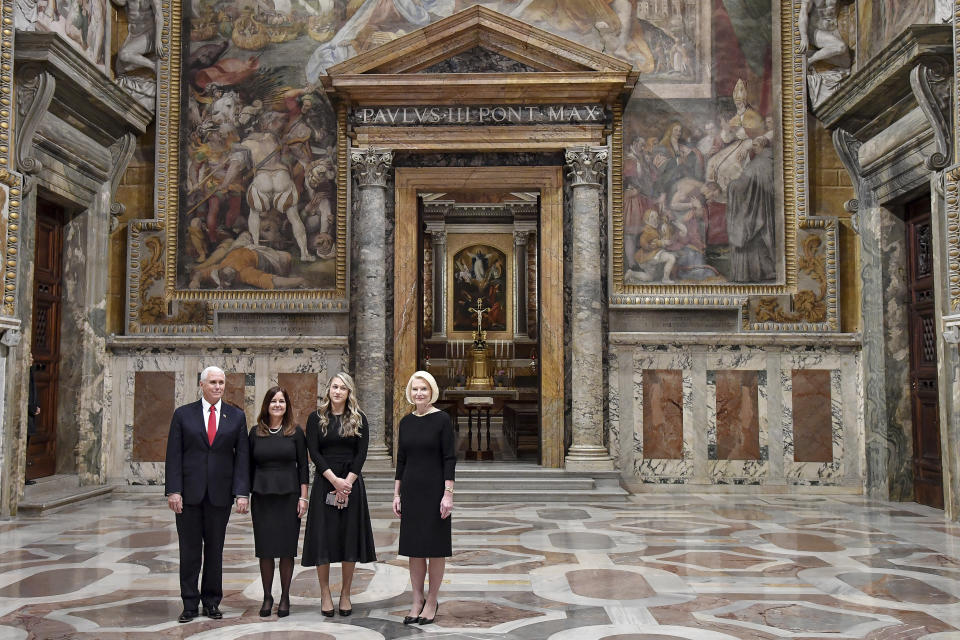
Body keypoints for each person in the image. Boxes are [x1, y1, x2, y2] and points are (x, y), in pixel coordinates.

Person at [164, 366, 250, 623]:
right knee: (189, 551)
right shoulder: (183, 415)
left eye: (221, 382)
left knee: (215, 550)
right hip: (188, 495)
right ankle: (189, 603)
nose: (218, 387)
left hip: (219, 496)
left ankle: (212, 601)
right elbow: (173, 455)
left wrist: (241, 493)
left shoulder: (236, 417)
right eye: (213, 382)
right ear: (201, 385)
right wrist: (174, 490)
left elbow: (242, 458)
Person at [302, 372, 376, 617]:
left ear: (349, 392)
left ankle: (345, 593)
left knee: (348, 538)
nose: (337, 391)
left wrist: (347, 483)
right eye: (334, 386)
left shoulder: (359, 418)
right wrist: (334, 480)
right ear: (328, 389)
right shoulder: (316, 418)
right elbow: (314, 451)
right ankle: (325, 593)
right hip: (326, 481)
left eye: (343, 388)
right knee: (323, 538)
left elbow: (361, 453)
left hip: (352, 483)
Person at [393, 370, 455, 626]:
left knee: (435, 549)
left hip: (434, 491)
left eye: (424, 389)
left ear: (432, 392)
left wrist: (448, 494)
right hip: (411, 490)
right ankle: (416, 599)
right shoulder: (405, 422)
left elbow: (449, 458)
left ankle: (432, 600)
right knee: (414, 550)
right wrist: (396, 493)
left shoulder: (442, 420)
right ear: (410, 392)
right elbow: (402, 459)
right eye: (416, 389)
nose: (419, 393)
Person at [248, 386, 309, 618]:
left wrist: (304, 497)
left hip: (289, 497)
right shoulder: (255, 432)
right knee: (265, 550)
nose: (277, 405)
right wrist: (243, 494)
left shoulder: (295, 432)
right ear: (266, 405)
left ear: (287, 406)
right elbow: (248, 465)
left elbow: (303, 466)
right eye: (273, 401)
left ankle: (285, 596)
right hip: (262, 498)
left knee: (285, 550)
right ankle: (266, 596)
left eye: (281, 401)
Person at [25, 364, 40, 486]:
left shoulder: (30, 370)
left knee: (26, 445)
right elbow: (26, 392)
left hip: (31, 413)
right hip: (27, 413)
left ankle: (24, 476)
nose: (32, 359)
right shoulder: (25, 371)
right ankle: (21, 477)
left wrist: (37, 405)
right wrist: (31, 408)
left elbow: (34, 391)